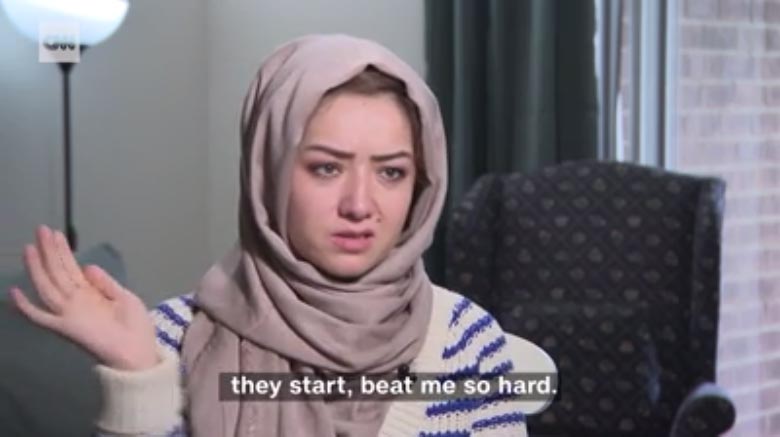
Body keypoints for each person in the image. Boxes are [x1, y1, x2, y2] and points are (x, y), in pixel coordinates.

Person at [9, 34, 527, 437]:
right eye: (326, 168)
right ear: (269, 174)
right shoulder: (168, 338)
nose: (359, 205)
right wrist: (138, 376)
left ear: (421, 186)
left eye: (391, 172)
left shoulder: (465, 341)